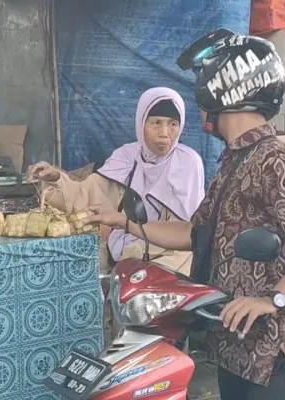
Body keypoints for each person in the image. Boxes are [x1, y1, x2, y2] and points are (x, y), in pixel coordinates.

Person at [86, 29, 285, 399]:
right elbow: (194, 231)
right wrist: (124, 222)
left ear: (223, 92)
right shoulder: (235, 160)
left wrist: (273, 299)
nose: (201, 109)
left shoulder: (274, 159)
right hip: (237, 347)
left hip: (275, 353)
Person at [27, 87, 204, 276]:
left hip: (172, 259)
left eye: (173, 124)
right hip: (124, 255)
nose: (164, 133)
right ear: (141, 123)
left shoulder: (187, 163)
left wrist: (129, 226)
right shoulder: (126, 157)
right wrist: (55, 178)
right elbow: (83, 197)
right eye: (156, 123)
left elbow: (186, 231)